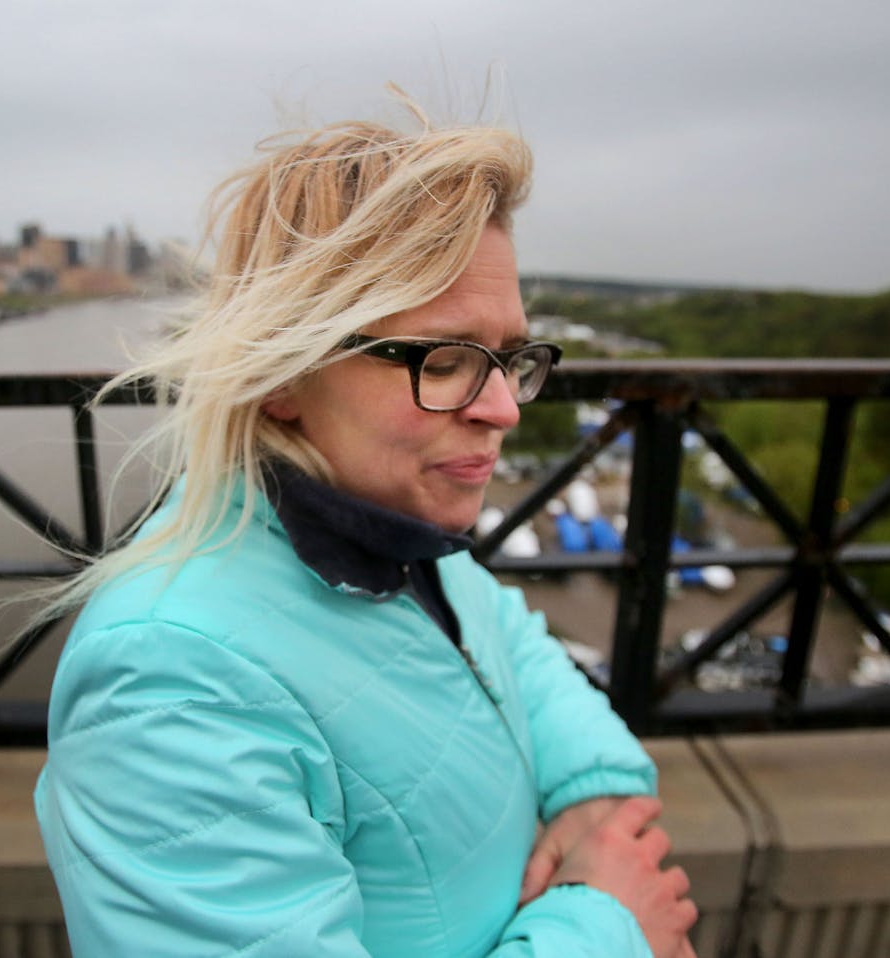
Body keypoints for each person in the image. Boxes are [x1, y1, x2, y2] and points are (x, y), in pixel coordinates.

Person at [34, 94, 697, 957]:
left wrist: (596, 797)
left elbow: (509, 644)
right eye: (445, 360)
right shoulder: (168, 685)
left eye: (510, 359)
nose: (502, 410)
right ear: (281, 374)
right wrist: (607, 924)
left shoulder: (395, 524)